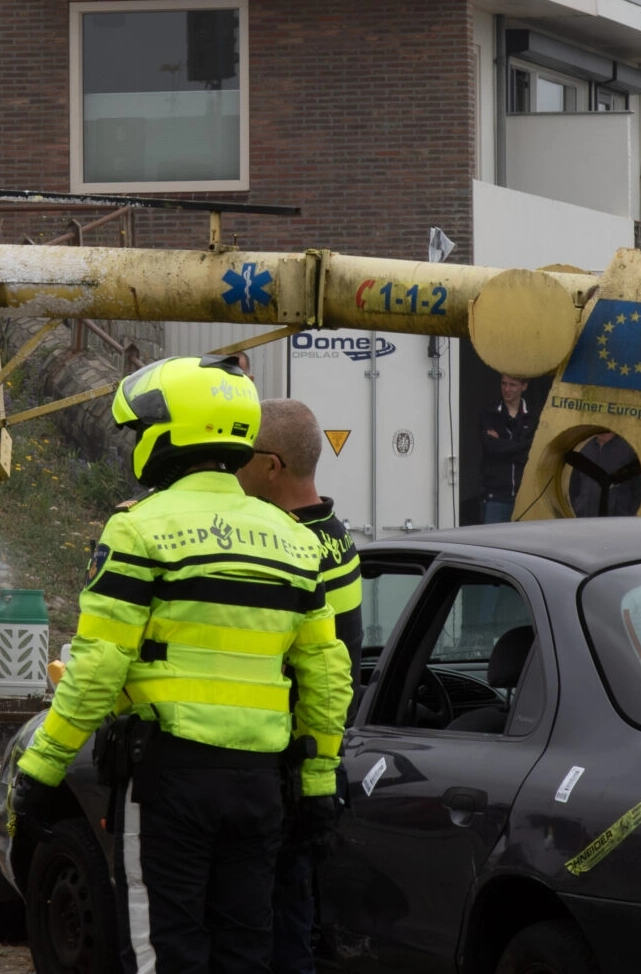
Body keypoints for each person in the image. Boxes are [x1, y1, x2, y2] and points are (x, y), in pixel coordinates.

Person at [12, 356, 353, 974]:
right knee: (246, 951)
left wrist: (41, 768)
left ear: (173, 434)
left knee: (165, 952)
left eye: (142, 430)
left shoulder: (138, 531)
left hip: (169, 781)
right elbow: (328, 676)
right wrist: (319, 782)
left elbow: (98, 667)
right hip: (261, 784)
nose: (137, 444)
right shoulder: (296, 543)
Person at [236, 397, 362, 974]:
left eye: (241, 457)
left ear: (271, 466)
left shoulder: (286, 546)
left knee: (274, 925)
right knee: (296, 914)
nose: (233, 470)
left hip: (286, 756)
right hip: (323, 753)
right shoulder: (336, 534)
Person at [478, 374, 536, 523]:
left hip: (526, 496)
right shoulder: (489, 413)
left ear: (524, 386)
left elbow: (533, 452)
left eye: (512, 385)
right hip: (496, 496)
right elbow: (491, 448)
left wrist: (501, 443)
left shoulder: (534, 416)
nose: (506, 389)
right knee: (492, 538)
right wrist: (521, 445)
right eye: (503, 384)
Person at [567, 431, 641, 517]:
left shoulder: (629, 450)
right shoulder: (583, 447)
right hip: (584, 518)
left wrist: (628, 514)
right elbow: (574, 485)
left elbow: (639, 489)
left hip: (618, 520)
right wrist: (578, 506)